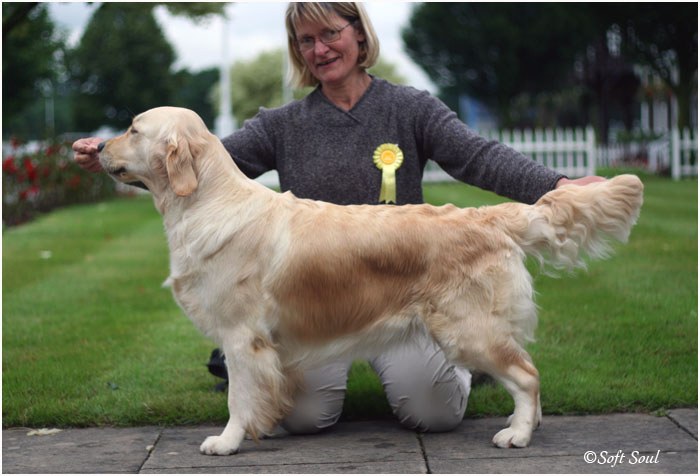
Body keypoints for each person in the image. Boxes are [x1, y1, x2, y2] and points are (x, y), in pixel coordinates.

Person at [73, 2, 604, 436]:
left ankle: (459, 363)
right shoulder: (281, 124)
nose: (320, 49)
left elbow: (478, 156)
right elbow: (198, 168)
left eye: (329, 33)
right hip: (318, 300)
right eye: (306, 41)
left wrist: (555, 187)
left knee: (435, 413)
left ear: (359, 33)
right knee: (303, 419)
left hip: (405, 280)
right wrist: (116, 159)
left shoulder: (410, 108)